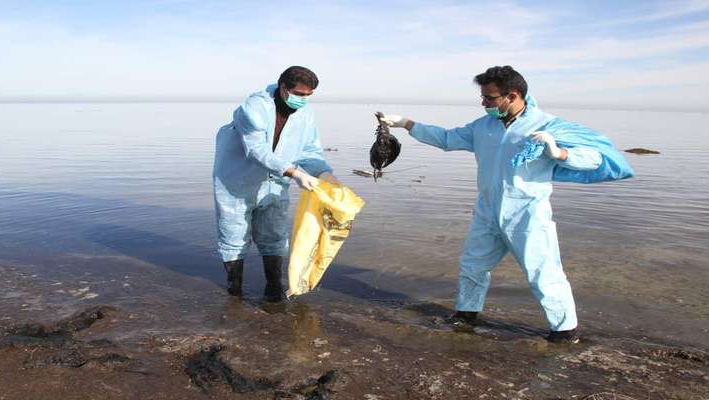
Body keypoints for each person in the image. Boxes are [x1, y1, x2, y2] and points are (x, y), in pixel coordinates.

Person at [381, 66, 629, 343]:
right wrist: (406, 124)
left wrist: (558, 152)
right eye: (483, 97)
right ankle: (466, 314)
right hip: (487, 210)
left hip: (527, 213)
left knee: (542, 271)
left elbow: (595, 158)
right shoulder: (482, 127)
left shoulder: (546, 126)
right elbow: (447, 139)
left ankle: (564, 330)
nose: (483, 103)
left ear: (512, 96)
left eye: (489, 98)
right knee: (472, 265)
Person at [213, 66, 339, 302]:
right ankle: (235, 291)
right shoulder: (254, 108)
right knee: (234, 233)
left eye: (309, 96)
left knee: (275, 234)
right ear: (283, 88)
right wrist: (295, 173)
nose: (304, 100)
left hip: (275, 182)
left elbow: (310, 149)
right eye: (299, 94)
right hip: (237, 180)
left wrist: (324, 173)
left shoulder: (306, 114)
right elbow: (256, 150)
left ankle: (274, 289)